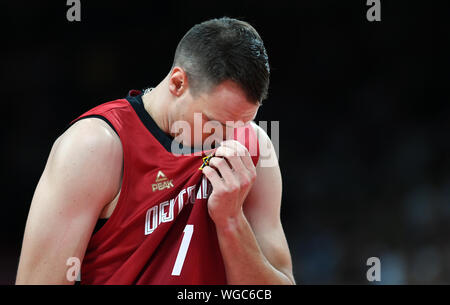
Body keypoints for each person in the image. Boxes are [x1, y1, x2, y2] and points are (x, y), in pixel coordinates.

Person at [16, 17, 295, 285]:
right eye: (216, 123)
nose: (229, 137)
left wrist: (232, 222)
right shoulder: (95, 147)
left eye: (243, 122)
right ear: (177, 83)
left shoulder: (253, 147)